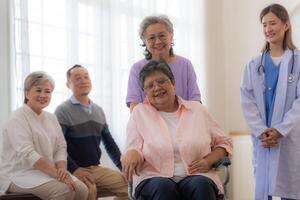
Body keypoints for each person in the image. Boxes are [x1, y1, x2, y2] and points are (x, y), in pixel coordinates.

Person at [122, 60, 232, 200]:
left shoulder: (197, 110)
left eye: (161, 81)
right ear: (145, 92)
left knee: (201, 185)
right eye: (150, 85)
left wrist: (209, 160)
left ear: (173, 83)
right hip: (153, 177)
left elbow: (224, 143)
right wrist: (132, 153)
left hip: (196, 176)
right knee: (163, 187)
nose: (157, 88)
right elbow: (132, 148)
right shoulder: (139, 113)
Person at [240, 4, 300, 200]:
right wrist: (261, 131)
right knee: (263, 187)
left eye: (273, 23)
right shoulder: (254, 64)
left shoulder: (298, 62)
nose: (268, 29)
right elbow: (247, 101)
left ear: (286, 25)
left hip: (290, 136)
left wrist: (280, 130)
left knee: (290, 188)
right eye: (264, 25)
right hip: (263, 138)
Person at [0, 71, 88, 200]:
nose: (43, 95)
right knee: (64, 190)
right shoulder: (17, 118)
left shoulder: (51, 118)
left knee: (81, 190)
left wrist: (62, 169)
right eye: (38, 90)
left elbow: (60, 147)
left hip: (46, 172)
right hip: (18, 174)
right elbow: (28, 154)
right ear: (27, 93)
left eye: (47, 91)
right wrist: (58, 175)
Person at [55, 65, 128, 200]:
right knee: (89, 191)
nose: (83, 81)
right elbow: (57, 147)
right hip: (73, 169)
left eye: (86, 77)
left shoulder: (98, 110)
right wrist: (75, 170)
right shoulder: (62, 111)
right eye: (77, 78)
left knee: (129, 186)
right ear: (68, 84)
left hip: (96, 168)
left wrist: (122, 168)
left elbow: (110, 144)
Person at [126, 15, 201, 111]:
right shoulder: (137, 69)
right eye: (151, 38)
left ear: (171, 35)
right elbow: (134, 106)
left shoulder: (185, 65)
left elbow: (195, 101)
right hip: (149, 123)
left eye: (162, 35)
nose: (157, 42)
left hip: (184, 122)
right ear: (144, 41)